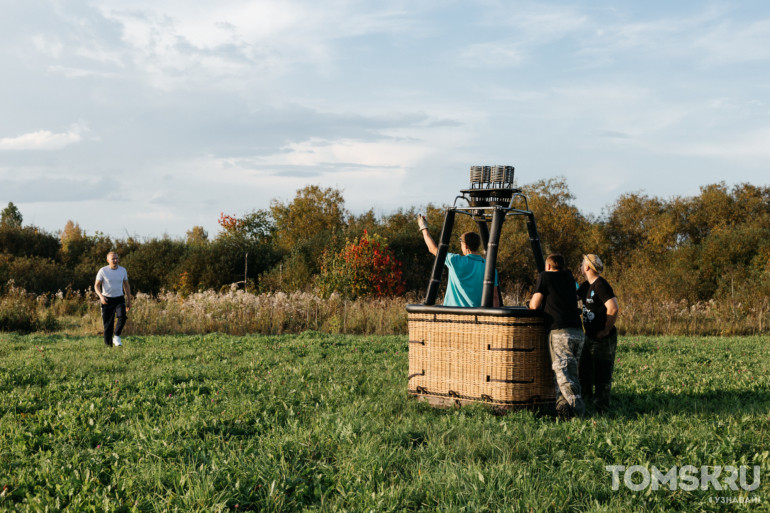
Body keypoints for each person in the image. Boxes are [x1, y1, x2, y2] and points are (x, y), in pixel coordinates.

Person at [529, 254, 585, 419]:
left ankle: (580, 414)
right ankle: (563, 412)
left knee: (564, 376)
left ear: (548, 266)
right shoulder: (569, 277)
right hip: (578, 331)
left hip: (561, 332)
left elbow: (534, 305)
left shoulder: (545, 276)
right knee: (571, 374)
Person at [417, 215, 498, 307]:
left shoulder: (454, 260)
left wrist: (424, 229)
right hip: (477, 316)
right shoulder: (489, 267)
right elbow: (494, 296)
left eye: (461, 245)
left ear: (466, 246)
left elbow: (432, 248)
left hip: (454, 315)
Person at [577, 254, 619, 413]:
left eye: (582, 264)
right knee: (585, 371)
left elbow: (613, 307)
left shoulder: (601, 285)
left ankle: (602, 408)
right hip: (589, 336)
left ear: (587, 267)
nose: (581, 266)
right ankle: (587, 402)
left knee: (602, 372)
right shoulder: (585, 285)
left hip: (603, 338)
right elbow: (572, 298)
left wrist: (606, 331)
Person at [94, 251, 131, 347]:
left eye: (117, 258)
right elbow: (96, 286)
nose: (115, 260)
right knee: (108, 326)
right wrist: (101, 297)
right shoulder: (103, 271)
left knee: (122, 317)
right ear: (108, 260)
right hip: (107, 300)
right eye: (113, 259)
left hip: (119, 299)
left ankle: (117, 336)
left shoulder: (123, 270)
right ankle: (108, 347)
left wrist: (129, 300)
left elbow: (126, 286)